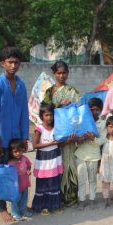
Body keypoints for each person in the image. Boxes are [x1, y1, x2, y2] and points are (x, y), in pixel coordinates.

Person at [0, 46, 29, 223]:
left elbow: (24, 112)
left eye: (16, 62)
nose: (13, 65)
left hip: (16, 140)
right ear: (3, 63)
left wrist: (25, 137)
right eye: (10, 62)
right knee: (2, 174)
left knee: (18, 174)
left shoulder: (20, 84)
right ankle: (2, 209)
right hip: (2, 139)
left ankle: (18, 203)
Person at [41, 61, 80, 207]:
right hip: (54, 134)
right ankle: (55, 197)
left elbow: (78, 112)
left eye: (64, 73)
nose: (61, 75)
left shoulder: (72, 91)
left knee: (69, 163)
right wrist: (59, 106)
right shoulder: (49, 92)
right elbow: (44, 110)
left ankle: (70, 197)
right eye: (58, 73)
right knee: (54, 164)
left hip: (69, 134)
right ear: (54, 74)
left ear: (68, 73)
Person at [74, 98, 107, 210]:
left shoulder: (102, 123)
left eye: (96, 110)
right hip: (81, 155)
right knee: (81, 179)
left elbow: (102, 140)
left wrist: (93, 138)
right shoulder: (81, 121)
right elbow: (76, 139)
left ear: (101, 110)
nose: (94, 112)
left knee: (92, 180)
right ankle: (82, 200)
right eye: (91, 110)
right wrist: (80, 138)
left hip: (94, 156)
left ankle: (92, 199)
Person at [32, 104, 63, 215]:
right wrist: (50, 143)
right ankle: (41, 206)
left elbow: (60, 142)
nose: (49, 117)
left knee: (53, 181)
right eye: (46, 115)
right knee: (43, 182)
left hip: (54, 157)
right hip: (44, 160)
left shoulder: (56, 127)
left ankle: (53, 206)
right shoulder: (39, 129)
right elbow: (34, 145)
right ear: (42, 116)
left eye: (51, 115)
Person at [8, 139, 32, 221]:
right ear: (11, 152)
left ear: (22, 150)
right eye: (15, 151)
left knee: (24, 199)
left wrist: (28, 170)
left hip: (24, 183)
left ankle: (23, 211)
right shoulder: (10, 162)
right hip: (15, 186)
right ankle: (15, 213)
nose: (18, 153)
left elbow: (29, 165)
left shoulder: (24, 158)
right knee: (15, 200)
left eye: (19, 151)